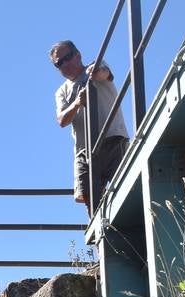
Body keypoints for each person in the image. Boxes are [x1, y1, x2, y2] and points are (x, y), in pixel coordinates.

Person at [51, 40, 130, 216]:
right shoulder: (62, 91)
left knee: (128, 187)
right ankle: (101, 237)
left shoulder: (96, 65)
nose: (65, 64)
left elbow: (105, 74)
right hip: (84, 150)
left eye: (68, 57)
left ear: (78, 55)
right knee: (89, 199)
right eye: (59, 63)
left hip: (112, 138)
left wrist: (95, 73)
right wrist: (77, 103)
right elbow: (62, 120)